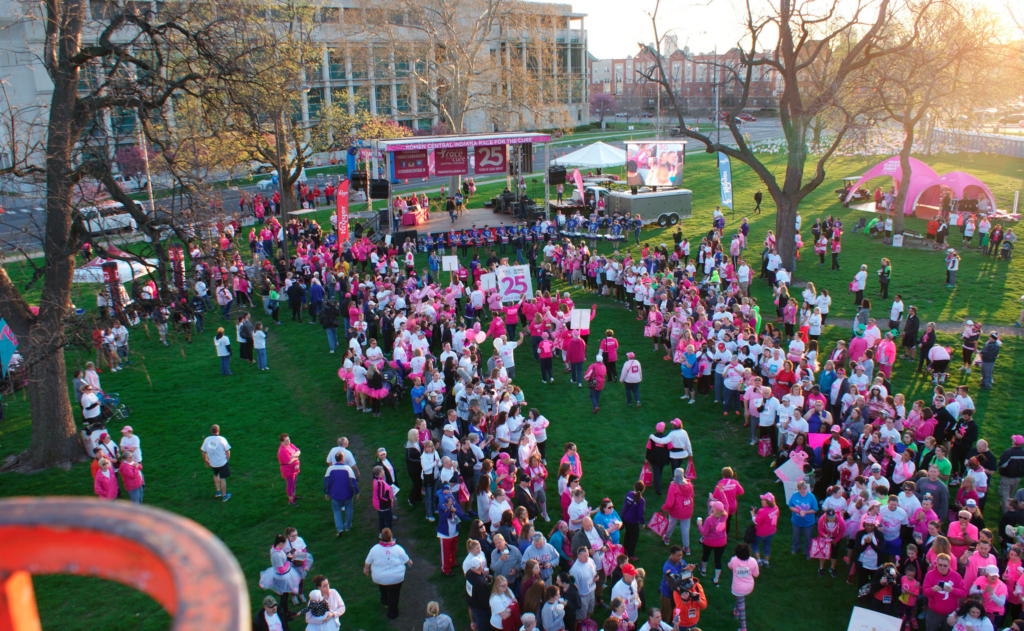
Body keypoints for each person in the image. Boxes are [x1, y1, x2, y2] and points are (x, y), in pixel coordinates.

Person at [364, 528, 413, 619]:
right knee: (394, 594)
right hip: (396, 578)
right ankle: (392, 613)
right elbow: (406, 560)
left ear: (381, 537)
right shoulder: (398, 549)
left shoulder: (374, 549)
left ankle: (385, 601)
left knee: (383, 587)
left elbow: (367, 562)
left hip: (380, 577)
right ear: (391, 537)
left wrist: (366, 569)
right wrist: (410, 562)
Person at [923, 553, 966, 631]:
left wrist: (952, 590)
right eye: (940, 565)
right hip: (934, 611)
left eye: (945, 565)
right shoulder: (930, 575)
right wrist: (932, 589)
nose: (942, 567)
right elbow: (925, 592)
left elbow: (963, 593)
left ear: (949, 565)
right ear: (936, 563)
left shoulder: (956, 576)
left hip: (951, 612)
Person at [259, 535, 304, 609]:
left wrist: (288, 555)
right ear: (280, 544)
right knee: (284, 597)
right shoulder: (277, 555)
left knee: (285, 595)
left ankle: (285, 612)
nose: (285, 545)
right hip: (282, 578)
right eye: (284, 544)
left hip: (282, 575)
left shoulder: (274, 549)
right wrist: (288, 562)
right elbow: (281, 570)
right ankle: (284, 613)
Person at [324, 451, 359, 536]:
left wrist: (326, 492)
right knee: (349, 509)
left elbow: (326, 482)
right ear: (343, 459)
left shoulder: (330, 469)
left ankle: (339, 528)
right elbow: (353, 482)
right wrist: (356, 492)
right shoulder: (348, 469)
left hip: (335, 494)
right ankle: (347, 526)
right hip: (347, 494)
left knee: (336, 511)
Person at [661, 468, 694, 553]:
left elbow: (670, 501)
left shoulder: (673, 486)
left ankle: (667, 538)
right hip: (687, 509)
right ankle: (686, 547)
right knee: (685, 528)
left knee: (671, 523)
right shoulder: (689, 484)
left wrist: (665, 507)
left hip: (676, 510)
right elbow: (692, 495)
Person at [728, 543, 759, 631]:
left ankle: (743, 628)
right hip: (749, 587)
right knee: (739, 600)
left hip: (737, 589)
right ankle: (736, 611)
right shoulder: (753, 561)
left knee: (741, 606)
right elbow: (756, 574)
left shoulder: (734, 560)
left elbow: (729, 566)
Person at [696, 501, 729, 586]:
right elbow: (726, 504)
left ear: (714, 509)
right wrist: (721, 491)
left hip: (709, 542)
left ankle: (703, 570)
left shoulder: (709, 520)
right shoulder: (725, 515)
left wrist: (699, 525)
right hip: (721, 542)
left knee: (705, 555)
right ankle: (716, 579)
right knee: (718, 559)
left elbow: (704, 533)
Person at [201, 424, 231, 501]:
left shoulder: (207, 440)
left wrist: (206, 461)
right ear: (218, 431)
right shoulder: (222, 439)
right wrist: (227, 460)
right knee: (222, 478)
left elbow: (204, 452)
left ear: (211, 431)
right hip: (222, 463)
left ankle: (218, 491)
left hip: (213, 463)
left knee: (215, 475)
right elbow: (227, 451)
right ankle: (224, 496)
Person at [788, 481, 818, 558]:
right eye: (800, 489)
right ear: (798, 489)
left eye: (804, 489)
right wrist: (798, 511)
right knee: (796, 535)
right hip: (796, 521)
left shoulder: (811, 496)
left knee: (808, 537)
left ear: (806, 488)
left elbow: (815, 509)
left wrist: (805, 512)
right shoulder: (794, 495)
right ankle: (795, 548)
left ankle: (808, 551)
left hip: (808, 523)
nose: (802, 491)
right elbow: (790, 506)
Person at [278, 433, 302, 506]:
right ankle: (291, 500)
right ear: (282, 442)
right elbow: (288, 461)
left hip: (294, 468)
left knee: (293, 483)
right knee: (290, 484)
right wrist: (296, 457)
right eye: (286, 441)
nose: (288, 442)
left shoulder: (290, 445)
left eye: (288, 439)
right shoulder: (283, 450)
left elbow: (298, 451)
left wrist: (293, 456)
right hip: (288, 470)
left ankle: (294, 495)